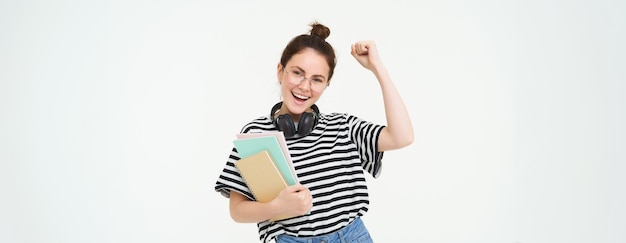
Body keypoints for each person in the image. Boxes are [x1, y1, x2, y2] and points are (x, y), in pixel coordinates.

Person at [214, 21, 414, 243]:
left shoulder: (342, 126)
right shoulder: (256, 134)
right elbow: (237, 210)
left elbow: (402, 137)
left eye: (317, 79)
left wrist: (378, 68)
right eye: (297, 73)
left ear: (327, 84)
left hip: (352, 236)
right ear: (280, 71)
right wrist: (276, 206)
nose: (304, 87)